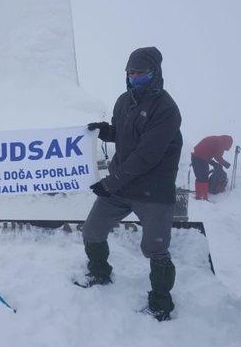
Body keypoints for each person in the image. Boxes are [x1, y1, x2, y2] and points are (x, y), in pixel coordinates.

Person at [85, 47, 183, 322]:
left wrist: (111, 181)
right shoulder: (123, 101)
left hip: (154, 192)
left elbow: (146, 154)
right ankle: (99, 272)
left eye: (141, 73)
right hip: (121, 187)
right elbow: (126, 136)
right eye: (131, 72)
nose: (135, 77)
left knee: (156, 249)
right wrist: (108, 132)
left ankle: (161, 302)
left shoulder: (167, 109)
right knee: (93, 229)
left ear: (155, 74)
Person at [191, 135, 233, 200]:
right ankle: (203, 196)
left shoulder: (217, 140)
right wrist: (225, 164)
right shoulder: (220, 143)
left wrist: (214, 163)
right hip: (201, 158)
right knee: (203, 177)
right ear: (228, 143)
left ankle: (199, 194)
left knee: (200, 176)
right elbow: (217, 157)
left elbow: (208, 152)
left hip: (196, 157)